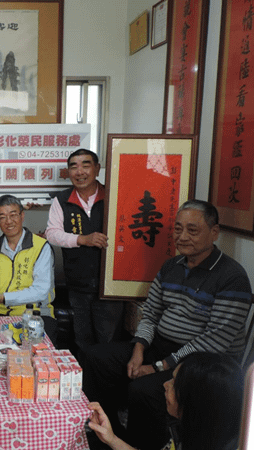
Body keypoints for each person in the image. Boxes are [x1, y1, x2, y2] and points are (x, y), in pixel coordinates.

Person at [82, 199, 252, 450]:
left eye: (192, 230)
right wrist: (139, 349)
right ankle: (107, 434)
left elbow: (214, 340)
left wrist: (159, 366)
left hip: (202, 362)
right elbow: (150, 313)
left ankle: (141, 445)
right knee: (96, 357)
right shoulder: (171, 266)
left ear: (214, 232)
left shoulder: (232, 277)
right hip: (159, 346)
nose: (182, 237)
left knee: (144, 390)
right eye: (178, 229)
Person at [45, 148, 123, 353]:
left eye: (86, 165)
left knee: (108, 342)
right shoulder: (61, 200)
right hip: (77, 283)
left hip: (109, 286)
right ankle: (84, 383)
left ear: (97, 169)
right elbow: (52, 233)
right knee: (82, 340)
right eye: (74, 166)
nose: (79, 172)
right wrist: (82, 239)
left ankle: (103, 384)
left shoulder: (113, 197)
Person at [88, 352, 245, 450]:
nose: (165, 384)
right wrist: (111, 438)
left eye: (174, 384)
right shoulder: (189, 431)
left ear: (195, 404)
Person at [0, 194, 57, 343]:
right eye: (2, 217)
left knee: (37, 359)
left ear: (22, 216)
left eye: (13, 215)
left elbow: (41, 291)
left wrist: (3, 298)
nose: (9, 221)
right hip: (0, 316)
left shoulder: (40, 246)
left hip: (37, 315)